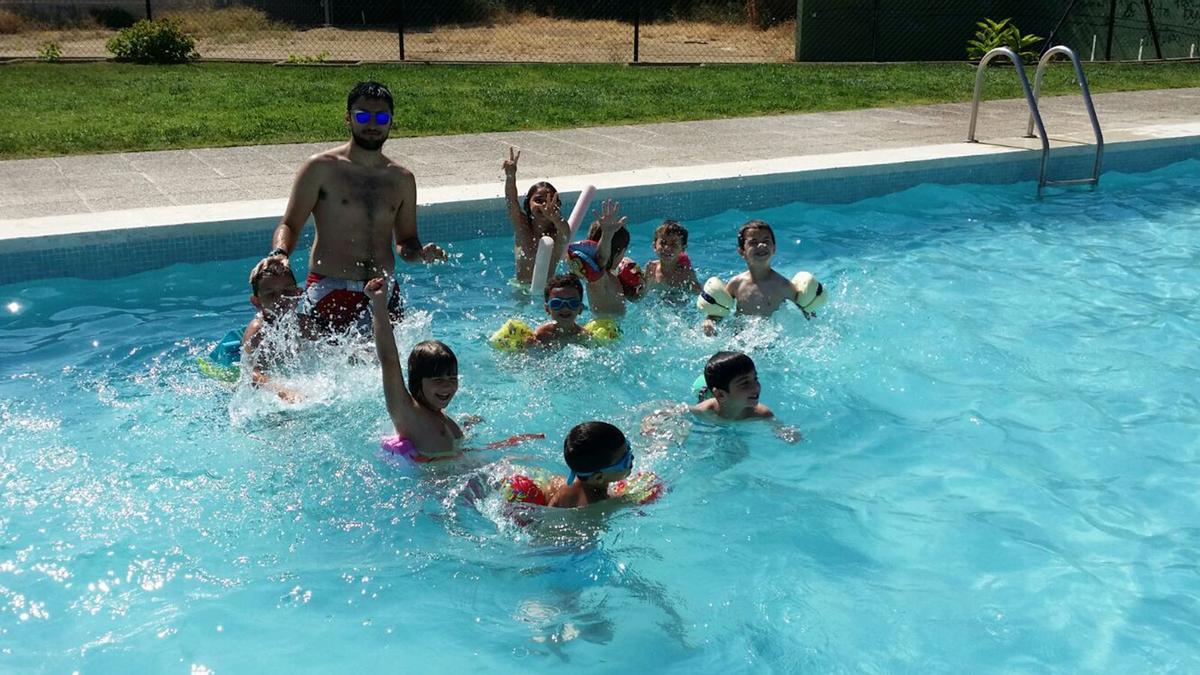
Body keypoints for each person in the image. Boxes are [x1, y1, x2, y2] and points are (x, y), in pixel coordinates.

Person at [266, 81, 446, 335]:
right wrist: (279, 252)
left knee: (388, 369)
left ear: (391, 122)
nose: (372, 124)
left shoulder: (402, 179)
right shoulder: (320, 168)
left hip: (383, 291)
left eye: (381, 117)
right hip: (329, 289)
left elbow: (406, 241)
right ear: (348, 118)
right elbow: (290, 224)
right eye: (363, 115)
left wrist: (420, 254)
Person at [367, 277, 467, 461]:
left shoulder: (442, 416)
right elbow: (389, 360)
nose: (448, 387)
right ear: (418, 381)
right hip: (437, 489)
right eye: (438, 380)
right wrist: (379, 305)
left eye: (452, 379)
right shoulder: (408, 412)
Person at [701, 220, 814, 336]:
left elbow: (807, 309)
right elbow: (719, 309)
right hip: (739, 336)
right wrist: (710, 320)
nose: (761, 245)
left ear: (774, 248)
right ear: (741, 251)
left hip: (771, 340)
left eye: (766, 241)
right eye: (753, 242)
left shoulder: (782, 285)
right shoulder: (736, 284)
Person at [240, 257, 312, 401]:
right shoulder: (258, 330)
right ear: (257, 302)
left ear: (298, 294)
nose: (281, 299)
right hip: (263, 389)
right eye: (271, 294)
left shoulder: (303, 323)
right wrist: (283, 391)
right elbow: (254, 374)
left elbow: (332, 346)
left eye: (287, 292)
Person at [503, 147, 570, 285]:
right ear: (528, 202)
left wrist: (555, 218)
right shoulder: (522, 227)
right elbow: (511, 201)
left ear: (557, 205)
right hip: (521, 288)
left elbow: (566, 232)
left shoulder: (557, 233)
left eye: (550, 201)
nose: (544, 206)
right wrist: (511, 176)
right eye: (539, 200)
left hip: (547, 291)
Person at [567, 200, 642, 317]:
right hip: (604, 331)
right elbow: (601, 259)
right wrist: (607, 234)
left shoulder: (612, 277)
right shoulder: (599, 278)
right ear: (619, 253)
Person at [544, 421, 636, 508]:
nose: (632, 457)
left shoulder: (566, 487)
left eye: (628, 447)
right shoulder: (599, 504)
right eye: (625, 461)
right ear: (598, 477)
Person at [645, 220, 701, 294]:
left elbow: (699, 295)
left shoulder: (686, 274)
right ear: (654, 246)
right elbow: (641, 296)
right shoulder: (651, 270)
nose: (667, 248)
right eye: (663, 243)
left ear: (683, 249)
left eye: (673, 244)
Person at [531, 274, 586, 345]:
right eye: (557, 303)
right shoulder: (539, 336)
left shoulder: (584, 336)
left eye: (573, 303)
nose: (565, 308)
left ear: (580, 309)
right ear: (547, 309)